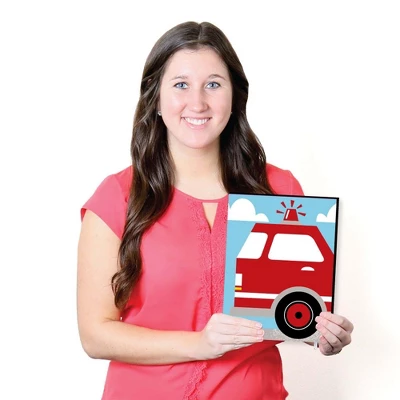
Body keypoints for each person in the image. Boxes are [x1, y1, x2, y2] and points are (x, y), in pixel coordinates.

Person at [77, 21, 354, 400]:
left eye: (213, 84)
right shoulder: (118, 197)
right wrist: (199, 344)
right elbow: (95, 334)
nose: (198, 103)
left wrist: (320, 333)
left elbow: (284, 313)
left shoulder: (280, 191)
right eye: (180, 85)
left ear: (235, 96)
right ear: (155, 98)